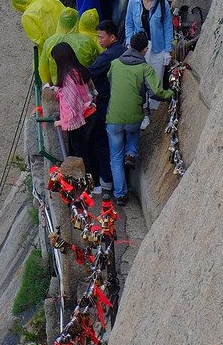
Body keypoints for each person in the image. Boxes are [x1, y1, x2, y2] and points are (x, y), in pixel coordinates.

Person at [105, 31, 172, 204]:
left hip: (113, 117)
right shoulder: (145, 68)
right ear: (144, 50)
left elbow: (109, 79)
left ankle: (120, 195)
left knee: (115, 157)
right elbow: (156, 92)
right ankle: (131, 152)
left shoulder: (114, 64)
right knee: (134, 130)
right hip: (134, 117)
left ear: (128, 46)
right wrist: (171, 92)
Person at [86, 17, 127, 197]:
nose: (99, 40)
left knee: (104, 144)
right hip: (127, 106)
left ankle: (107, 183)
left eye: (102, 37)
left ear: (112, 37)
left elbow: (89, 72)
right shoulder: (125, 51)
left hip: (107, 106)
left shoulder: (108, 55)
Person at [51, 42, 98, 180]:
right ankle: (97, 184)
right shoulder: (80, 70)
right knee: (92, 151)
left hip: (81, 121)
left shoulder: (68, 78)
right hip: (92, 113)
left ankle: (87, 185)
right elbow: (92, 91)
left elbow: (72, 105)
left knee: (81, 155)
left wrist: (62, 121)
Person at [124, 0, 173, 83]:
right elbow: (129, 24)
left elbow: (168, 27)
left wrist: (168, 50)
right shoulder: (133, 1)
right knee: (139, 80)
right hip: (138, 46)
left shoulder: (162, 3)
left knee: (155, 81)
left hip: (157, 47)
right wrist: (129, 42)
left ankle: (155, 101)